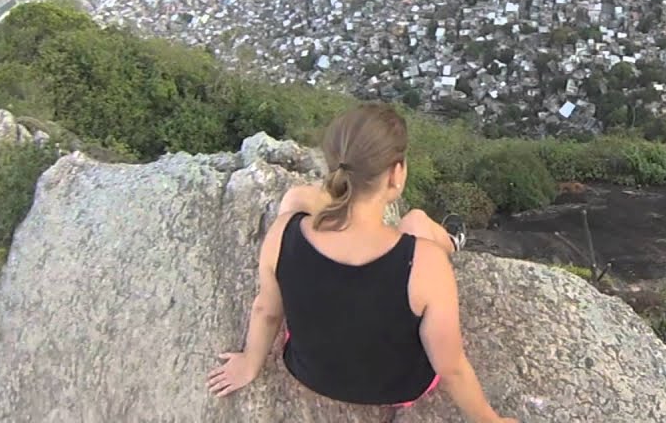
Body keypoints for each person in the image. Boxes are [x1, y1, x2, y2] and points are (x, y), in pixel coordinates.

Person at [207, 104, 517, 423]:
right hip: (401, 387)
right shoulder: (426, 263)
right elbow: (450, 367)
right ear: (396, 175)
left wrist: (250, 362)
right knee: (416, 221)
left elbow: (267, 310)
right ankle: (452, 241)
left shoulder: (283, 232)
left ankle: (358, 204)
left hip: (310, 373)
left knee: (296, 201)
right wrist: (490, 419)